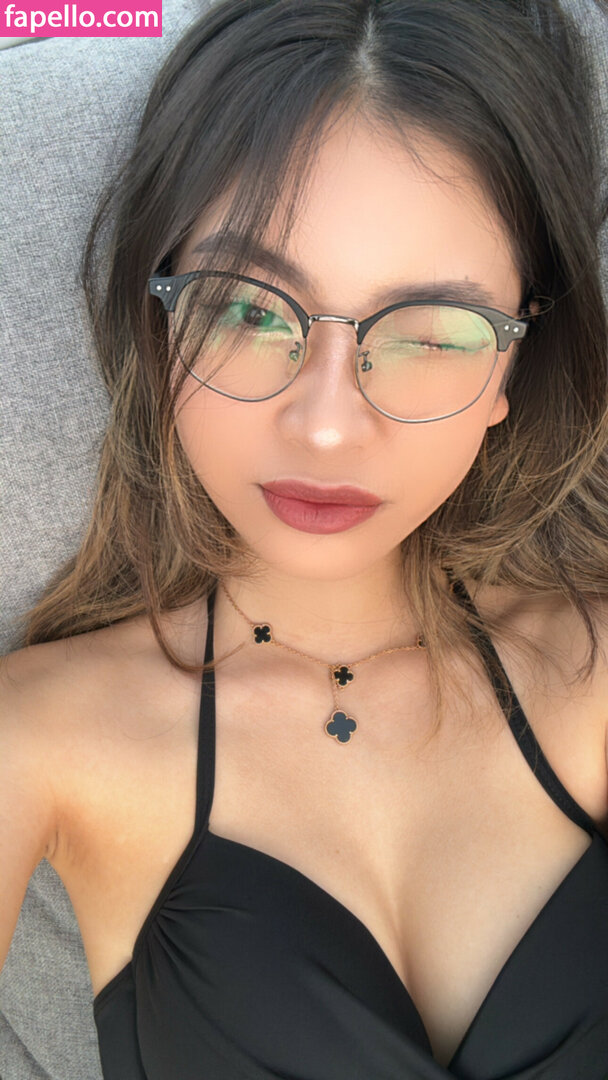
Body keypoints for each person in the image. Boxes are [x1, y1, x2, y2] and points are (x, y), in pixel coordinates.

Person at [2, 0, 608, 1076]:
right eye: (246, 309)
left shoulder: (595, 679)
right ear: (160, 325)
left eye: (432, 332)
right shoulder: (39, 735)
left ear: (512, 367)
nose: (326, 426)